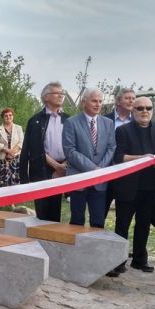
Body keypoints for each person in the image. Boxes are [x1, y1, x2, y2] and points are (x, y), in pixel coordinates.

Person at [111, 97, 155, 274]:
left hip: (150, 186)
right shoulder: (123, 131)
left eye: (148, 108)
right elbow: (119, 157)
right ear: (133, 110)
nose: (145, 111)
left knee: (144, 225)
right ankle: (118, 261)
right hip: (127, 186)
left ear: (152, 110)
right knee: (122, 225)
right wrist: (142, 158)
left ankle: (139, 259)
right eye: (140, 108)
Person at [63, 87, 116, 228]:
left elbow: (111, 147)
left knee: (98, 222)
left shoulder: (108, 123)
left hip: (100, 181)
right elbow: (70, 150)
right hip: (78, 178)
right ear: (83, 102)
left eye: (100, 101)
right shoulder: (71, 122)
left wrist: (100, 169)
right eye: (94, 101)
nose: (98, 104)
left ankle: (96, 243)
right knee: (77, 221)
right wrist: (93, 168)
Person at [19, 81, 70, 221]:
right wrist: (24, 179)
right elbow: (31, 149)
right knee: (42, 214)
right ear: (46, 97)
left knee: (55, 213)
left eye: (62, 93)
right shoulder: (35, 121)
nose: (61, 95)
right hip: (42, 169)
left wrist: (63, 165)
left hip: (66, 168)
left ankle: (54, 236)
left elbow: (75, 146)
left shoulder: (69, 119)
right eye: (57, 93)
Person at [104, 87, 135, 217]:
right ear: (117, 101)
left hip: (127, 174)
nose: (131, 101)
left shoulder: (137, 121)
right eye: (127, 98)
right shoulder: (104, 120)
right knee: (100, 213)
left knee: (123, 216)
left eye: (133, 98)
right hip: (106, 171)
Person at [0, 107, 23, 187]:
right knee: (3, 183)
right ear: (2, 117)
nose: (8, 117)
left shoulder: (18, 128)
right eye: (6, 115)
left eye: (10, 115)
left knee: (16, 183)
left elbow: (21, 142)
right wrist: (7, 151)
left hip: (16, 159)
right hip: (2, 160)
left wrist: (12, 152)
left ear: (13, 116)